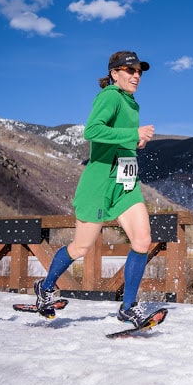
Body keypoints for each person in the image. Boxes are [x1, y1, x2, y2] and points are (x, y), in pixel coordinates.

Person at [34, 51, 155, 328]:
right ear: (114, 73)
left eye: (139, 71)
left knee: (142, 240)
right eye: (129, 70)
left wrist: (134, 144)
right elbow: (92, 131)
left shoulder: (131, 103)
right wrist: (133, 135)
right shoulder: (110, 96)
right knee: (81, 247)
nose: (136, 75)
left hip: (126, 182)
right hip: (100, 184)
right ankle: (46, 287)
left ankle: (128, 308)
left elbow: (116, 139)